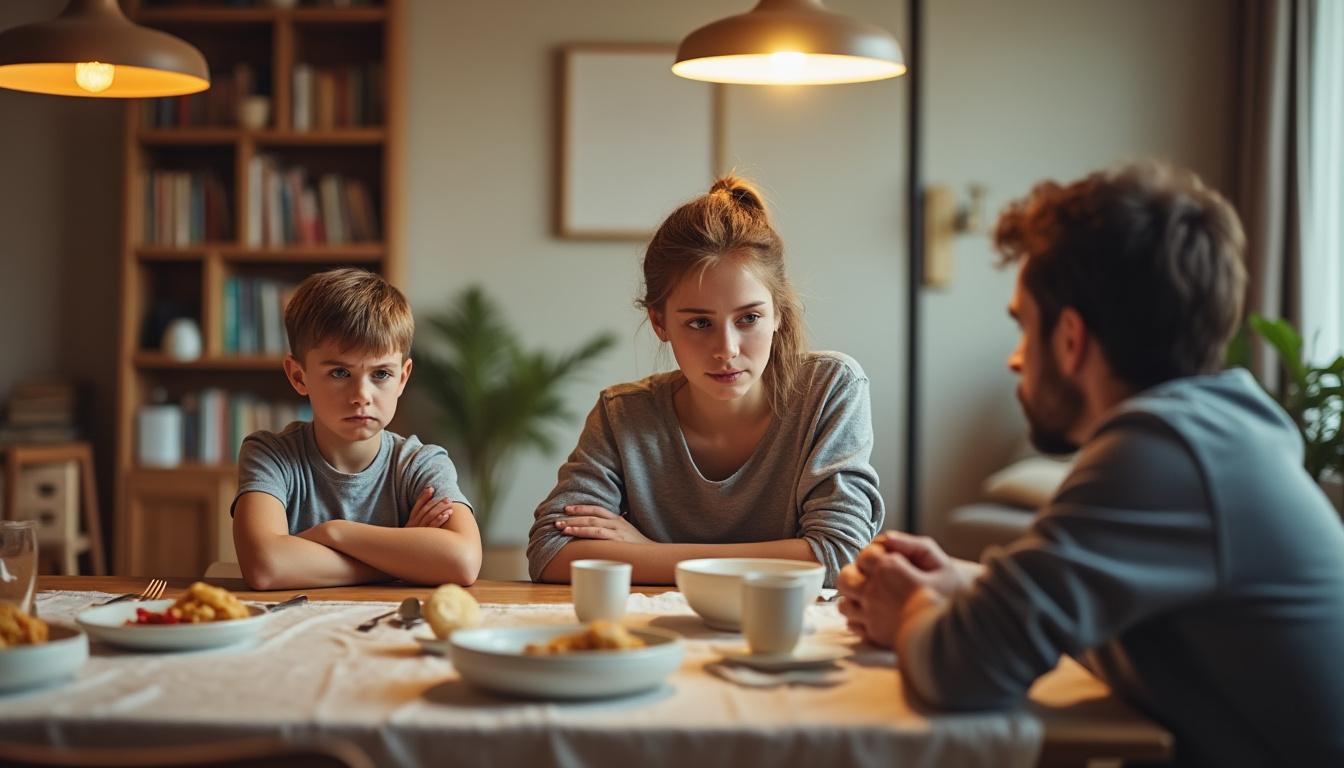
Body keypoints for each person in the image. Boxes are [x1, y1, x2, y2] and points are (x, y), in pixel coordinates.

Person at [838, 163, 1344, 766]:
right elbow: (1100, 612)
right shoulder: (1222, 429)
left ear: (1071, 339)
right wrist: (960, 583)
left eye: (1024, 327)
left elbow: (960, 671)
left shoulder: (1163, 450)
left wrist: (911, 609)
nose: (1016, 360)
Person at [527, 176, 884, 586]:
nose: (726, 348)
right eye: (699, 322)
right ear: (659, 322)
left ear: (779, 314)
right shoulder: (623, 414)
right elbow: (550, 553)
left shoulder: (830, 389)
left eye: (749, 318)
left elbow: (840, 555)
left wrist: (648, 553)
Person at [232, 268, 482, 590]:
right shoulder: (270, 455)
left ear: (402, 378)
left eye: (381, 375)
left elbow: (462, 562)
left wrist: (334, 532)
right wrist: (404, 557)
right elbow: (266, 566)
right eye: (339, 372)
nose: (361, 396)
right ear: (298, 376)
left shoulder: (422, 463)